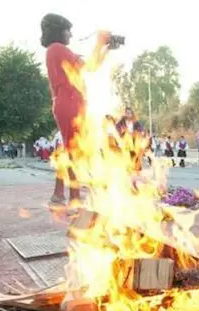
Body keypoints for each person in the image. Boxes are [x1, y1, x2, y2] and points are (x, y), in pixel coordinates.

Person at [41, 13, 113, 208]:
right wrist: (100, 43)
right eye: (68, 30)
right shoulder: (58, 49)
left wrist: (105, 48)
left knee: (70, 149)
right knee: (75, 151)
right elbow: (89, 66)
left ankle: (59, 194)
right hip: (70, 102)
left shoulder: (56, 50)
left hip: (68, 102)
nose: (71, 35)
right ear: (58, 30)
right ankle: (74, 197)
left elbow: (91, 66)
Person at [116, 107, 147, 173]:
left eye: (130, 113)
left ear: (132, 114)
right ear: (125, 113)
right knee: (125, 156)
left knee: (136, 154)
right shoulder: (121, 122)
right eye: (127, 113)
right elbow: (117, 128)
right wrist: (122, 132)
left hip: (134, 141)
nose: (128, 114)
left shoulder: (135, 122)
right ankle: (126, 169)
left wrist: (142, 132)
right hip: (125, 141)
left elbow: (140, 128)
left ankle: (137, 169)